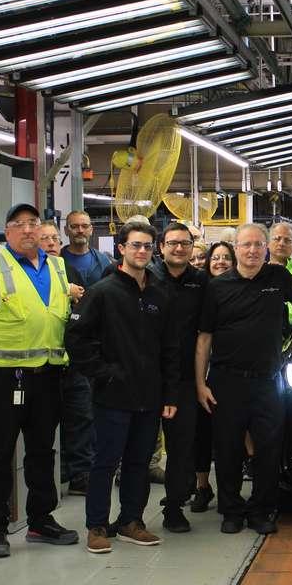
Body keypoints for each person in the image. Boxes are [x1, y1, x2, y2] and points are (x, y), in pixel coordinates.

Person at [195, 224, 292, 535]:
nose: (252, 250)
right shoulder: (218, 287)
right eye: (246, 245)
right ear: (236, 248)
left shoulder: (278, 278)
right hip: (227, 381)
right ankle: (232, 511)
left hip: (268, 381)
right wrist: (200, 383)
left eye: (258, 245)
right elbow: (204, 338)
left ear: (266, 249)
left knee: (268, 449)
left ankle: (263, 510)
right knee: (227, 450)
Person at [0, 203, 79, 558]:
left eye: (33, 224)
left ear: (42, 230)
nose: (27, 230)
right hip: (6, 377)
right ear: (7, 232)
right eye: (18, 224)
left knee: (42, 451)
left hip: (48, 375)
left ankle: (41, 520)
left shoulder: (56, 265)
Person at [65, 221, 178, 554]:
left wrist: (169, 393)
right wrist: (104, 373)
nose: (141, 251)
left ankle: (131, 521)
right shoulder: (103, 292)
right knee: (105, 462)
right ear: (121, 250)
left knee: (139, 462)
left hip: (149, 395)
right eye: (135, 245)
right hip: (112, 396)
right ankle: (97, 526)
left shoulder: (160, 294)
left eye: (146, 246)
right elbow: (76, 339)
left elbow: (171, 348)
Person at [152, 222, 209, 533]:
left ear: (191, 247)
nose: (178, 248)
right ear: (161, 247)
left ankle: (174, 508)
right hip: (147, 377)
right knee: (137, 449)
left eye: (184, 243)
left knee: (181, 448)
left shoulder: (201, 282)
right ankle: (127, 515)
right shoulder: (145, 278)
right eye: (172, 243)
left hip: (185, 379)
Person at [38, 221, 91, 495]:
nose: (51, 243)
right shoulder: (31, 274)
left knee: (81, 417)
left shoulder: (68, 270)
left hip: (73, 360)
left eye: (54, 239)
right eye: (45, 239)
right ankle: (58, 473)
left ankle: (81, 473)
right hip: (44, 365)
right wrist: (64, 292)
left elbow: (83, 305)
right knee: (49, 423)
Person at [190, 241, 236, 513]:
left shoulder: (242, 287)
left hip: (231, 372)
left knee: (232, 433)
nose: (220, 262)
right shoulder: (200, 290)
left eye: (226, 258)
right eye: (215, 258)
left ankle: (230, 491)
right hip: (202, 370)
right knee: (201, 432)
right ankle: (202, 486)